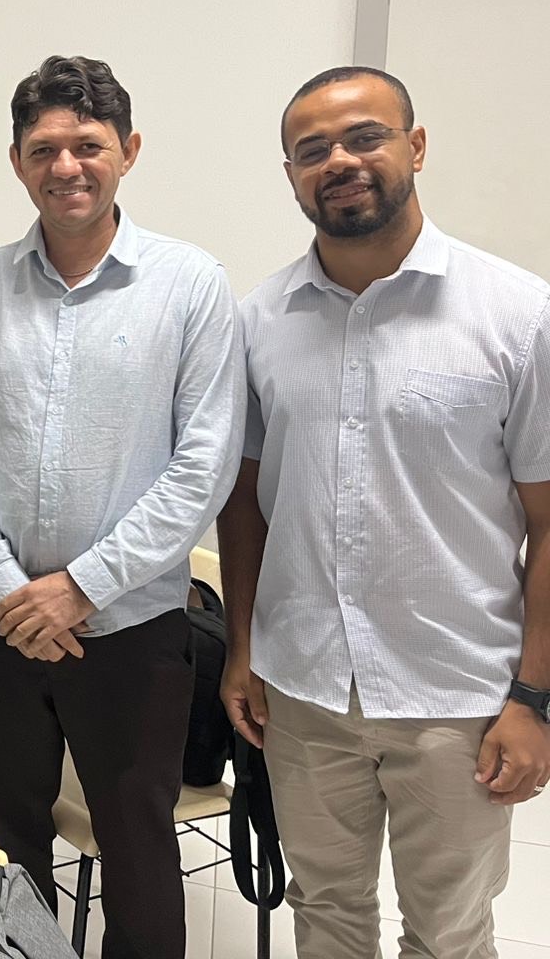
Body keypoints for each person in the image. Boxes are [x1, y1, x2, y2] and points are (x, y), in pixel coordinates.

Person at [218, 65, 550, 958]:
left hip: (457, 696)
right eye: (311, 149)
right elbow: (246, 505)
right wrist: (243, 648)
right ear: (291, 175)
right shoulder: (259, 322)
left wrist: (534, 698)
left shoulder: (518, 316)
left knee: (449, 933)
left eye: (364, 136)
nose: (339, 160)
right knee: (325, 913)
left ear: (417, 145)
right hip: (303, 691)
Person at [0, 55, 243, 959]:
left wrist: (80, 588)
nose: (66, 166)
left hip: (131, 630)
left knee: (137, 847)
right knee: (6, 836)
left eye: (88, 146)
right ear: (18, 162)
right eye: (44, 149)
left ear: (128, 152)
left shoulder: (190, 285)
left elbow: (204, 465)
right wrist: (5, 588)